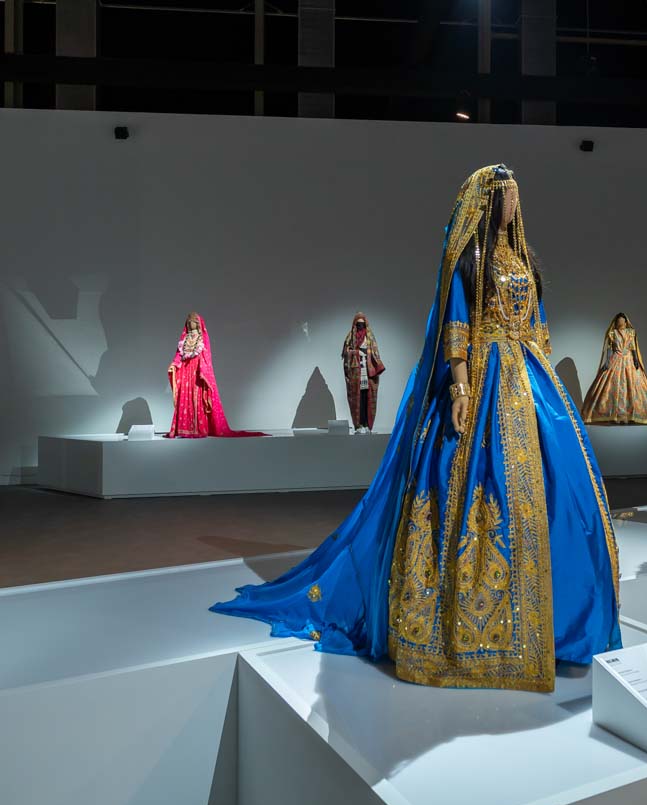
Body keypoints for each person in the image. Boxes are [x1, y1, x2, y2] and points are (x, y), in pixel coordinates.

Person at [212, 165, 621, 692]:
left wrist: (541, 370)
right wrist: (461, 389)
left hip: (532, 381)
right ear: (486, 202)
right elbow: (457, 324)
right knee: (472, 490)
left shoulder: (525, 259)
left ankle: (561, 627)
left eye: (516, 196)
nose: (513, 205)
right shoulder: (469, 260)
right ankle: (476, 633)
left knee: (562, 494)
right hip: (483, 378)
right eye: (504, 196)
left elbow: (539, 324)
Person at [165, 312, 265, 438]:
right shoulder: (184, 340)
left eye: (193, 322)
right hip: (185, 372)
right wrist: (174, 364)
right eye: (188, 322)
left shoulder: (202, 338)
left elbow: (206, 356)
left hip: (197, 371)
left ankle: (198, 429)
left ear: (198, 323)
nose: (190, 324)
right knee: (184, 398)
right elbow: (179, 355)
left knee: (197, 398)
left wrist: (203, 370)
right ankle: (183, 429)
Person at [580, 312, 647, 424]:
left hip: (629, 360)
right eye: (619, 321)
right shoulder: (613, 333)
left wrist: (636, 359)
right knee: (612, 386)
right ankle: (613, 415)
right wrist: (607, 361)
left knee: (633, 386)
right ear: (616, 322)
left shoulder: (630, 333)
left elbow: (633, 347)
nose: (620, 322)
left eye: (622, 320)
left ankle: (633, 415)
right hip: (616, 358)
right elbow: (609, 349)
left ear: (626, 322)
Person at [342, 312, 386, 433]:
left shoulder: (370, 337)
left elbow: (376, 353)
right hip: (356, 372)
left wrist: (367, 355)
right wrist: (356, 353)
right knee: (358, 398)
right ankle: (358, 425)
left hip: (368, 372)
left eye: (362, 324)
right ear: (355, 324)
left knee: (368, 397)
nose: (360, 326)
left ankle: (368, 424)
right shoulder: (350, 337)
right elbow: (346, 353)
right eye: (358, 324)